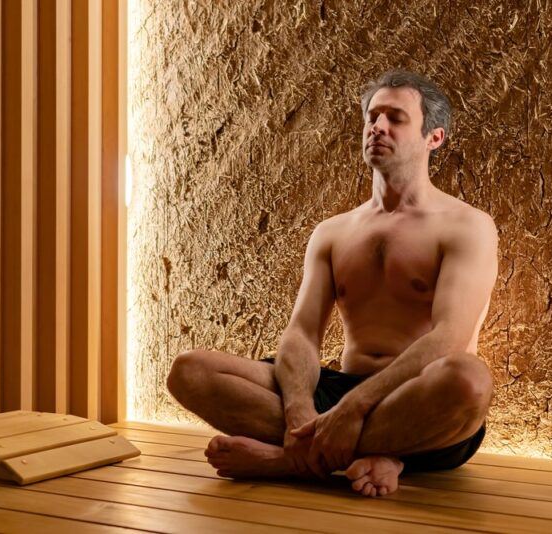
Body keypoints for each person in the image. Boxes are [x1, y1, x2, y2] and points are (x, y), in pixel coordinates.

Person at [166, 69, 498, 498]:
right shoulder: (334, 232)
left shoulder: (467, 226)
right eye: (372, 116)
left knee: (469, 380)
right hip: (338, 389)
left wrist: (354, 409)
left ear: (434, 137)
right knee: (190, 371)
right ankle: (372, 450)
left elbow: (449, 337)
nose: (377, 126)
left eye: (395, 118)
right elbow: (302, 333)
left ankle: (289, 461)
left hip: (416, 393)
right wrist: (300, 411)